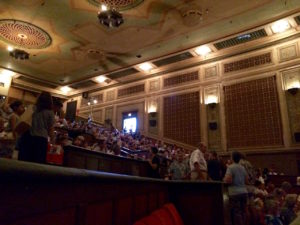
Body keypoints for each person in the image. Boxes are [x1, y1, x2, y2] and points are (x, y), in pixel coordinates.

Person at [19, 92, 55, 164]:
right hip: (41, 140)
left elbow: (23, 119)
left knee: (24, 161)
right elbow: (50, 129)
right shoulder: (50, 113)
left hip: (28, 136)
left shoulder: (31, 108)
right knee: (37, 163)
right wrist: (52, 140)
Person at [224, 151, 249, 225]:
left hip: (234, 193)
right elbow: (246, 181)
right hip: (244, 192)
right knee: (243, 212)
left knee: (235, 213)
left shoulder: (230, 167)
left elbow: (228, 180)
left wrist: (224, 179)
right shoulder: (242, 168)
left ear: (232, 158)